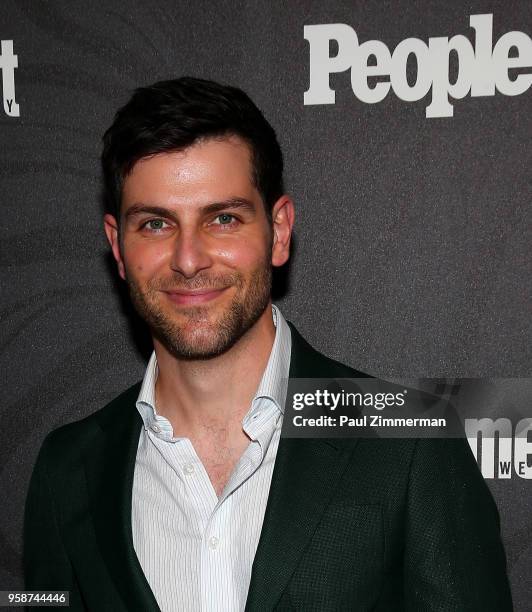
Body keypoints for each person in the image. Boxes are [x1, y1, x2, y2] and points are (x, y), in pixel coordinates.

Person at [24, 77, 513, 611]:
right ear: (118, 247)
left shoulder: (411, 444)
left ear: (278, 232)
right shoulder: (66, 469)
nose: (189, 259)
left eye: (224, 219)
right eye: (156, 224)